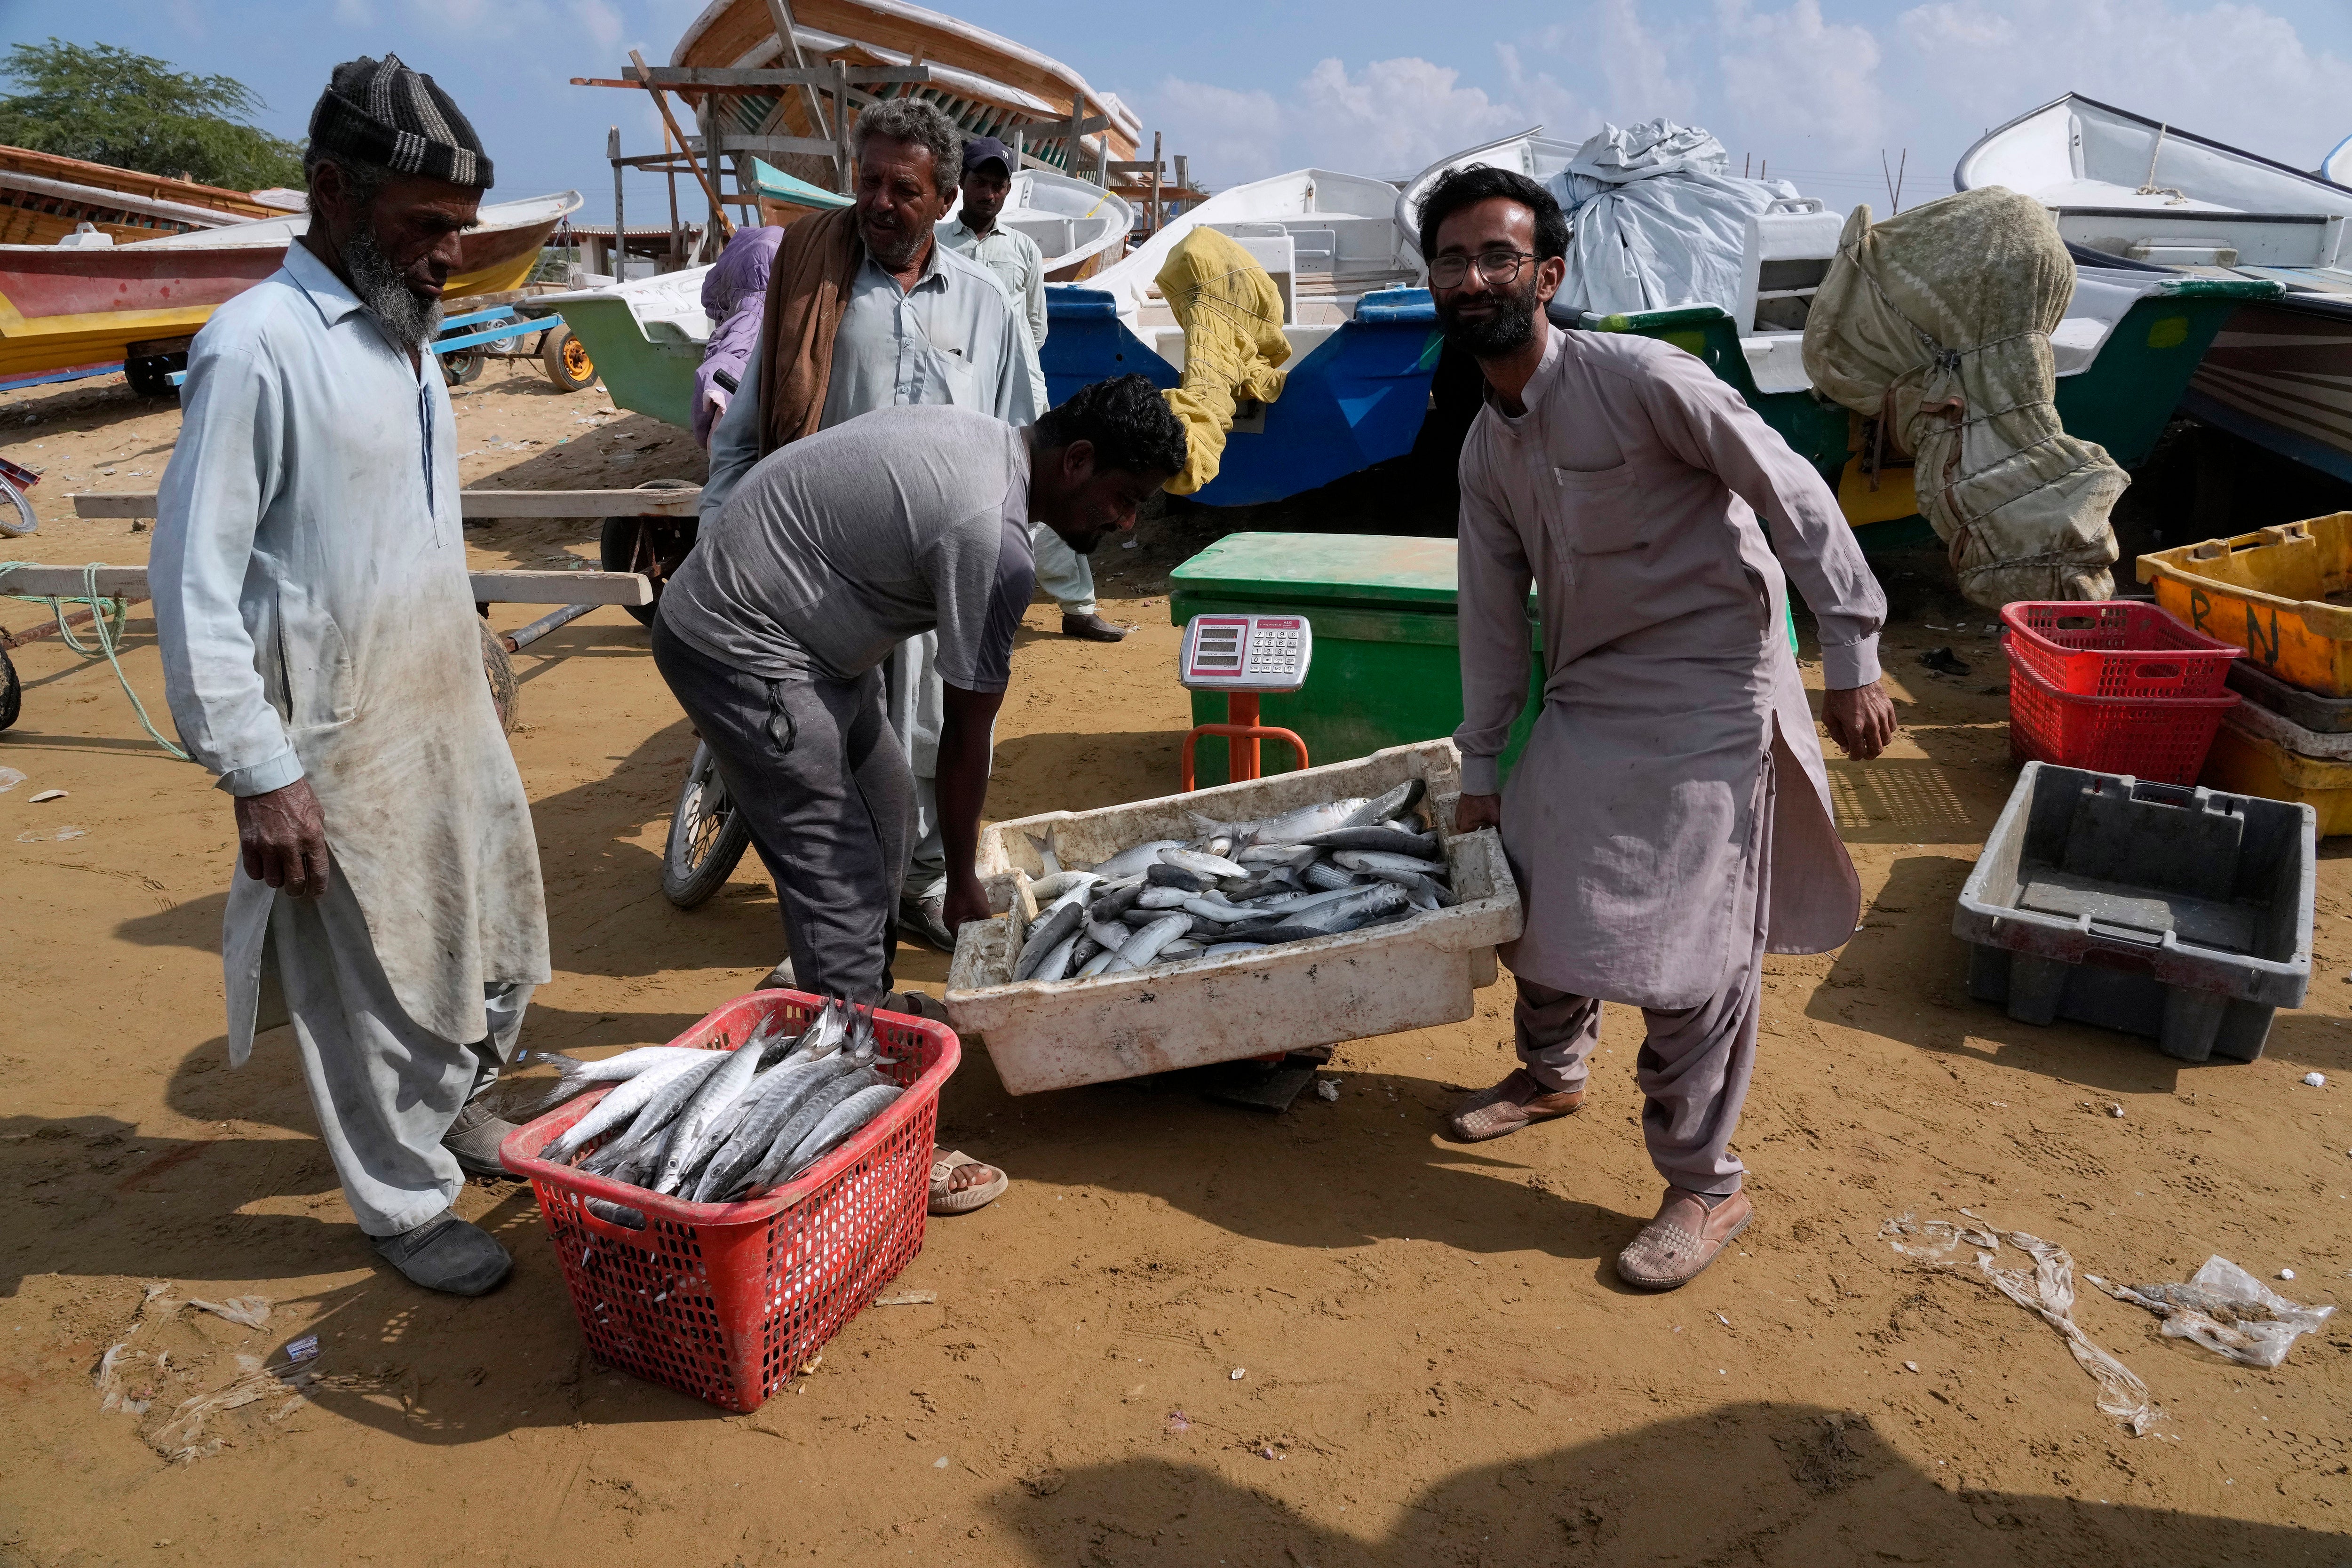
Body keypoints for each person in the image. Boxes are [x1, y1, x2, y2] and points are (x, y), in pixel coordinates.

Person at [1423, 166, 1898, 1292]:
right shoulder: (1485, 451)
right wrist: (1485, 760)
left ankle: (1704, 1183)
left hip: (1715, 682)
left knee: (1692, 949)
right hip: (1592, 690)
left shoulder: (1641, 379)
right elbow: (1492, 619)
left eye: (1497, 256)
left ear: (1548, 274)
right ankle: (1552, 1071)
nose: (1472, 277)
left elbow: (1787, 486)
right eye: (1450, 260)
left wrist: (1852, 650)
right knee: (1526, 878)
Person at [150, 55, 547, 1298]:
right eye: (427, 228)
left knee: (479, 928)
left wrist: (472, 644)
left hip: (439, 706)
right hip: (328, 730)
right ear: (333, 190)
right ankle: (401, 1199)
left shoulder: (406, 333)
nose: (450, 257)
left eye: (462, 235)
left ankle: (454, 1117)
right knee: (363, 982)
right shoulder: (255, 346)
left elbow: (406, 525)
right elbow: (193, 580)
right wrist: (262, 772)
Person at [652, 375, 1188, 1214]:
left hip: (810, 637)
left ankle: (857, 995)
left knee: (890, 811)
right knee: (835, 864)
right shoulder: (994, 536)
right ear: (1077, 460)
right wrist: (969, 880)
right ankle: (857, 1119)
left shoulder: (992, 446)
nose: (1125, 524)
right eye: (1124, 500)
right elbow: (970, 732)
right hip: (740, 641)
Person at [701, 96, 1033, 955]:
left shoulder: (989, 306)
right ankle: (841, 915)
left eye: (905, 188)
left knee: (943, 732)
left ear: (946, 200)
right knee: (827, 753)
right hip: (824, 587)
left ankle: (920, 883)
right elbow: (742, 439)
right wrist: (719, 551)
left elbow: (1018, 446)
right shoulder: (813, 285)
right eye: (869, 181)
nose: (881, 203)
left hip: (940, 583)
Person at [940, 134, 1131, 645]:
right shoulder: (936, 245)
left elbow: (1035, 328)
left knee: (1043, 488)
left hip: (1018, 393)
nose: (988, 193)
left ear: (1006, 192)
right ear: (962, 184)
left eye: (998, 185)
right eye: (980, 182)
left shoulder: (1023, 250)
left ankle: (1078, 607)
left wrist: (1011, 369)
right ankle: (958, 608)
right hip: (953, 392)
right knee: (954, 497)